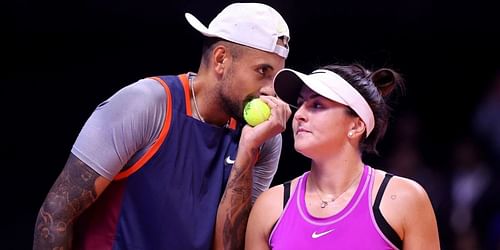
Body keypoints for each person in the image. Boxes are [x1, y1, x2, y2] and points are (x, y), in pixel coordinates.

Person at [33, 3, 292, 249]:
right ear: (221, 60)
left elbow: (228, 247)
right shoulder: (145, 104)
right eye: (262, 71)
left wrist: (247, 153)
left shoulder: (262, 139)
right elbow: (55, 215)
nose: (271, 90)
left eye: (276, 76)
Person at [245, 64, 440, 249]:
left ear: (356, 126)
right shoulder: (269, 207)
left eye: (317, 105)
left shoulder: (404, 199)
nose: (299, 115)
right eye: (300, 104)